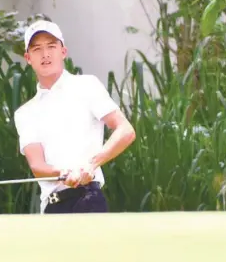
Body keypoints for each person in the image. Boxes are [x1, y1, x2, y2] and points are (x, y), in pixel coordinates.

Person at [13, 19, 136, 214]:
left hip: (89, 199)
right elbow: (37, 166)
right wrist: (62, 173)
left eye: (51, 46)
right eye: (37, 49)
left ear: (63, 52)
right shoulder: (25, 113)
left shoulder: (87, 85)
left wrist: (92, 164)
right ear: (28, 58)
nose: (45, 54)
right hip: (52, 207)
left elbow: (126, 130)